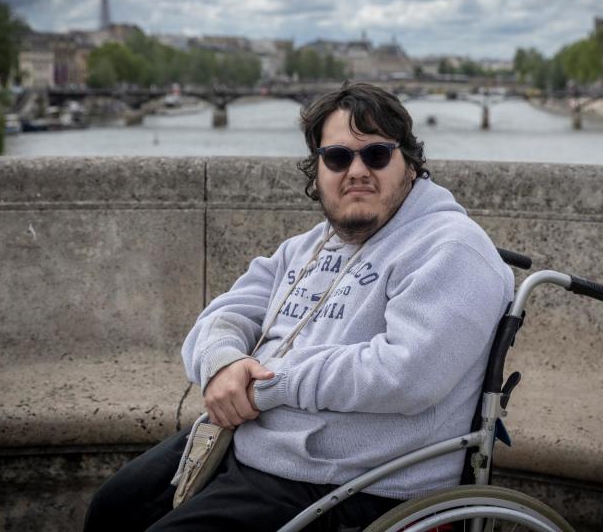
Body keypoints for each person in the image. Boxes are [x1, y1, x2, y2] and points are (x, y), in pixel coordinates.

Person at [84, 83, 514, 531]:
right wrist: (222, 363)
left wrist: (266, 386)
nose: (358, 170)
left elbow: (408, 375)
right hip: (252, 443)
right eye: (338, 157)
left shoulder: (452, 247)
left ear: (410, 165)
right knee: (113, 508)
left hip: (351, 479)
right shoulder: (310, 245)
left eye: (377, 155)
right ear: (318, 172)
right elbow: (225, 313)